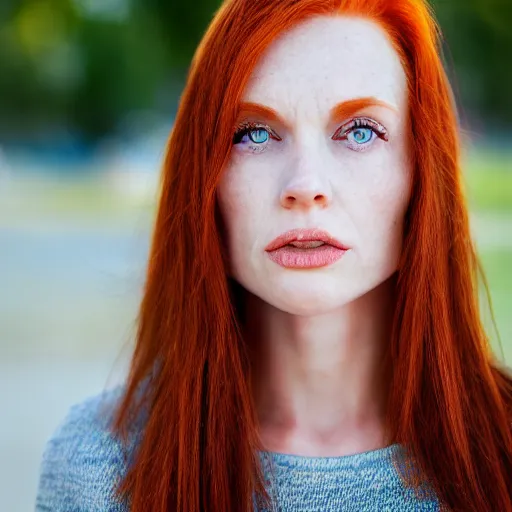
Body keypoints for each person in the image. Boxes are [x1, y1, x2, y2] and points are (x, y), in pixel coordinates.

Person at [35, 0, 512, 510]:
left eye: (360, 131)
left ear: (422, 170)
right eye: (254, 134)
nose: (305, 186)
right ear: (206, 178)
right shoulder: (97, 468)